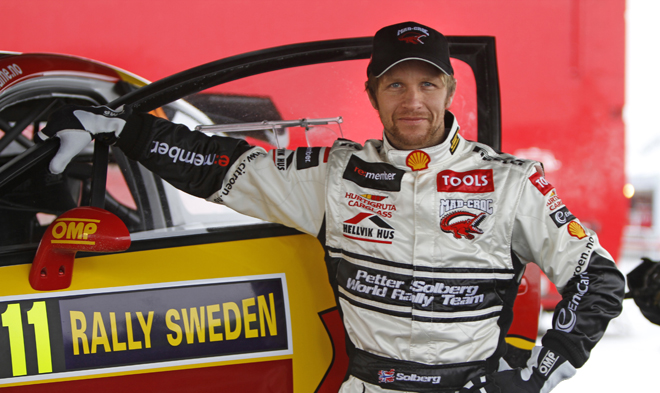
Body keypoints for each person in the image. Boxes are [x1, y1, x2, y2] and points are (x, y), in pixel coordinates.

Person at [39, 21, 625, 393]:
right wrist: (122, 130)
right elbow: (221, 166)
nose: (413, 99)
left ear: (450, 92)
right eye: (395, 85)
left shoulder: (510, 182)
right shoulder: (335, 175)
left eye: (428, 84)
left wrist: (538, 375)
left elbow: (597, 278)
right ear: (372, 96)